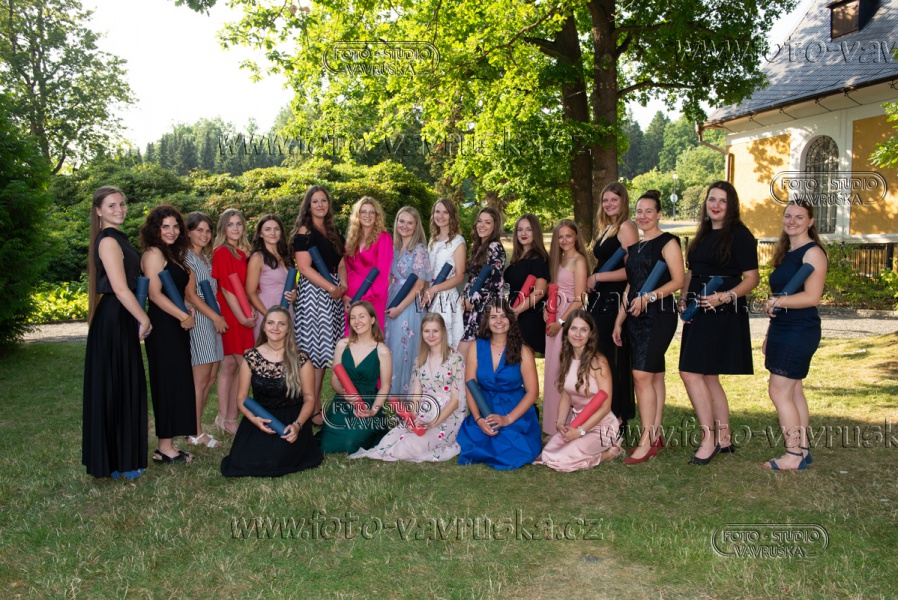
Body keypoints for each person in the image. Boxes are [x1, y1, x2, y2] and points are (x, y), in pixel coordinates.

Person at [678, 182, 759, 465]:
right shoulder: (702, 233)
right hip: (697, 309)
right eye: (712, 199)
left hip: (721, 311)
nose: (715, 205)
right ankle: (724, 438)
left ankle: (708, 439)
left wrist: (724, 297)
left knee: (690, 372)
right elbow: (692, 271)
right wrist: (683, 298)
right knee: (709, 375)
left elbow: (752, 278)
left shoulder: (740, 234)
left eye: (722, 201)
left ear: (731, 205)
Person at [82, 186, 150, 480]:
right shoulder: (108, 241)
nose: (119, 209)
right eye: (111, 205)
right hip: (114, 317)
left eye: (122, 204)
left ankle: (122, 459)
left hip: (120, 316)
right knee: (117, 387)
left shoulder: (118, 238)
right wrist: (144, 318)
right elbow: (121, 289)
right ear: (98, 211)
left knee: (123, 386)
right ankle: (117, 461)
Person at [612, 190, 685, 465]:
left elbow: (678, 280)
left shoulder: (669, 242)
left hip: (659, 315)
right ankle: (655, 434)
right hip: (635, 316)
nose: (642, 216)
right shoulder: (635, 248)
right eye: (639, 211)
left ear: (659, 214)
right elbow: (631, 286)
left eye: (648, 211)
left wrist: (649, 297)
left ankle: (646, 442)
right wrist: (619, 320)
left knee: (641, 375)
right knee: (653, 376)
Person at [760, 201, 827, 471]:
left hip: (800, 329)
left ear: (810, 221)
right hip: (783, 327)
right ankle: (803, 449)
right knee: (794, 389)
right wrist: (770, 329)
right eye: (788, 216)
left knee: (779, 390)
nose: (792, 221)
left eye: (799, 217)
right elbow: (783, 296)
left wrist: (777, 302)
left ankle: (793, 455)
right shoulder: (788, 252)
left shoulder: (813, 253)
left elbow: (812, 297)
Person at [140, 205, 209, 464]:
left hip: (177, 326)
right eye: (165, 226)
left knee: (176, 382)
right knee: (166, 384)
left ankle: (167, 444)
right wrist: (182, 316)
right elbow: (154, 294)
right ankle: (164, 448)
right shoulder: (153, 253)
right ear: (155, 229)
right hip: (163, 328)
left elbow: (175, 291)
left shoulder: (171, 253)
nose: (172, 231)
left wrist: (185, 306)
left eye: (175, 226)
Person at [221, 306, 324, 477]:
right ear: (263, 326)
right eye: (270, 323)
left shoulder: (301, 359)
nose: (275, 328)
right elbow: (241, 398)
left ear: (288, 329)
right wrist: (254, 419)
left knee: (278, 459)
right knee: (243, 461)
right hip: (260, 417)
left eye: (281, 324)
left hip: (291, 419)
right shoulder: (251, 358)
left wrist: (297, 425)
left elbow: (309, 398)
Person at [351, 313, 467, 462]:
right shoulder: (420, 360)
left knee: (407, 447)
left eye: (435, 331)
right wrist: (411, 419)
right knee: (386, 442)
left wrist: (432, 423)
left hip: (446, 417)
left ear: (443, 332)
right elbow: (416, 396)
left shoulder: (455, 359)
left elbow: (456, 401)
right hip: (424, 412)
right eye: (427, 331)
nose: (431, 335)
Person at [457, 300, 542, 470]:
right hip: (485, 405)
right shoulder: (476, 346)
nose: (499, 321)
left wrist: (507, 419)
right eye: (493, 317)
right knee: (474, 441)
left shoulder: (523, 350)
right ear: (487, 321)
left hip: (513, 408)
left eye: (503, 316)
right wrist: (478, 419)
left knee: (512, 450)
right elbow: (470, 385)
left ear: (511, 320)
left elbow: (533, 393)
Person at [534, 311, 623, 471]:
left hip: (601, 426)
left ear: (590, 334)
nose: (577, 334)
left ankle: (610, 453)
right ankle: (581, 448)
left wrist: (580, 432)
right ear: (567, 331)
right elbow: (566, 395)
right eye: (573, 328)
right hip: (576, 423)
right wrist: (560, 422)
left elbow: (605, 407)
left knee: (563, 460)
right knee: (548, 454)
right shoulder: (566, 358)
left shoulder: (599, 362)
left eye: (583, 330)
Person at [291, 185, 347, 426]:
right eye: (315, 201)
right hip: (315, 294)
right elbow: (304, 268)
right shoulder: (305, 232)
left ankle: (314, 406)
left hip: (334, 292)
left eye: (324, 200)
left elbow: (341, 262)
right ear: (308, 205)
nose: (320, 205)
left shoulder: (333, 231)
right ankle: (311, 409)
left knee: (324, 354)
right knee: (312, 355)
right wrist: (330, 288)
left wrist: (342, 285)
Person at [588, 183, 638, 434]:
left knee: (610, 358)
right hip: (599, 298)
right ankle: (604, 412)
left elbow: (633, 270)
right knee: (599, 356)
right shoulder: (607, 227)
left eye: (614, 200)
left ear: (623, 202)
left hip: (614, 298)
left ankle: (618, 417)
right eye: (605, 200)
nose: (608, 204)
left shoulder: (626, 227)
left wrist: (598, 278)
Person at [319, 301, 392, 454]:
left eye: (362, 316)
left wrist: (373, 411)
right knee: (326, 445)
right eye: (353, 317)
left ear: (372, 319)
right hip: (343, 401)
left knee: (350, 444)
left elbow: (385, 386)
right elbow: (334, 379)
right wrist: (343, 392)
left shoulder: (382, 350)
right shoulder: (342, 345)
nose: (357, 321)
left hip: (367, 404)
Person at [184, 212, 228, 449]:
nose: (204, 234)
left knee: (210, 377)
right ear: (188, 232)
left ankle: (193, 426)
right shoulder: (186, 257)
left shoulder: (205, 258)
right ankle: (195, 432)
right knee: (199, 381)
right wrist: (215, 317)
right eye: (199, 230)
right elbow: (190, 295)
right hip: (201, 320)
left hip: (213, 319)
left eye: (208, 230)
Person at [542, 219, 590, 435]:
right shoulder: (558, 259)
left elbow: (580, 298)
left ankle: (567, 426)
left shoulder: (579, 260)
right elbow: (554, 289)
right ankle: (552, 426)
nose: (564, 240)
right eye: (560, 237)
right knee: (552, 372)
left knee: (563, 372)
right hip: (553, 318)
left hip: (567, 321)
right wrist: (547, 309)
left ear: (576, 236)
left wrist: (561, 322)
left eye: (568, 236)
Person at [212, 209, 256, 436]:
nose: (236, 228)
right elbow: (227, 289)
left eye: (239, 224)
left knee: (230, 365)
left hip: (242, 311)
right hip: (232, 314)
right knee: (247, 365)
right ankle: (229, 417)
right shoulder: (222, 251)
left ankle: (225, 418)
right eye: (230, 224)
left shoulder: (244, 251)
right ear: (223, 228)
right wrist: (241, 318)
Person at [384, 207, 431, 395]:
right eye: (401, 221)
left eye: (410, 223)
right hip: (392, 298)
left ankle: (404, 399)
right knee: (390, 348)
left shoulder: (419, 249)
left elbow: (420, 285)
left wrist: (399, 308)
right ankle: (389, 398)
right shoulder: (394, 248)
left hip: (409, 305)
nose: (405, 226)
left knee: (403, 350)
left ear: (416, 226)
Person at [458, 207, 506, 359]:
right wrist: (464, 297)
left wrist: (473, 301)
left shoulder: (494, 247)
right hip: (471, 305)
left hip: (483, 308)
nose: (482, 225)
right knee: (468, 357)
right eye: (480, 221)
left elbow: (495, 283)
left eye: (487, 222)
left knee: (463, 354)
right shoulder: (478, 247)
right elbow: (473, 279)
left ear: (494, 226)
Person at [340, 196, 393, 333]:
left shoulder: (383, 238)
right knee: (351, 335)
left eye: (371, 212)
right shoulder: (352, 238)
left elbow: (383, 270)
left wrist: (366, 297)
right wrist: (346, 295)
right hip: (352, 294)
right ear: (358, 215)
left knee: (370, 334)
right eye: (363, 212)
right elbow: (346, 268)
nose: (367, 215)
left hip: (373, 294)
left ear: (377, 215)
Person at [504, 214, 550, 354]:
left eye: (529, 229)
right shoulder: (518, 258)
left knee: (525, 358)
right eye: (520, 229)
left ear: (536, 232)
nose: (523, 233)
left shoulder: (538, 259)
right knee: (513, 358)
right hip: (514, 313)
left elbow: (539, 292)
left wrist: (516, 311)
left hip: (529, 316)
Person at [424, 199, 467, 349]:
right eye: (437, 212)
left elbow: (460, 276)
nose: (440, 216)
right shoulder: (432, 240)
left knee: (445, 343)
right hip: (430, 296)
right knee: (430, 343)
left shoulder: (458, 241)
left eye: (445, 212)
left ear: (451, 215)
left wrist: (435, 289)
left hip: (446, 299)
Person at [246, 214, 296, 339]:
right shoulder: (258, 257)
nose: (272, 233)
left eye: (276, 229)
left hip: (286, 309)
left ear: (281, 232)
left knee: (287, 348)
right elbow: (250, 292)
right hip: (267, 308)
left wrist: (294, 295)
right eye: (267, 229)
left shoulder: (286, 256)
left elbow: (293, 286)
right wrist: (268, 316)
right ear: (260, 234)